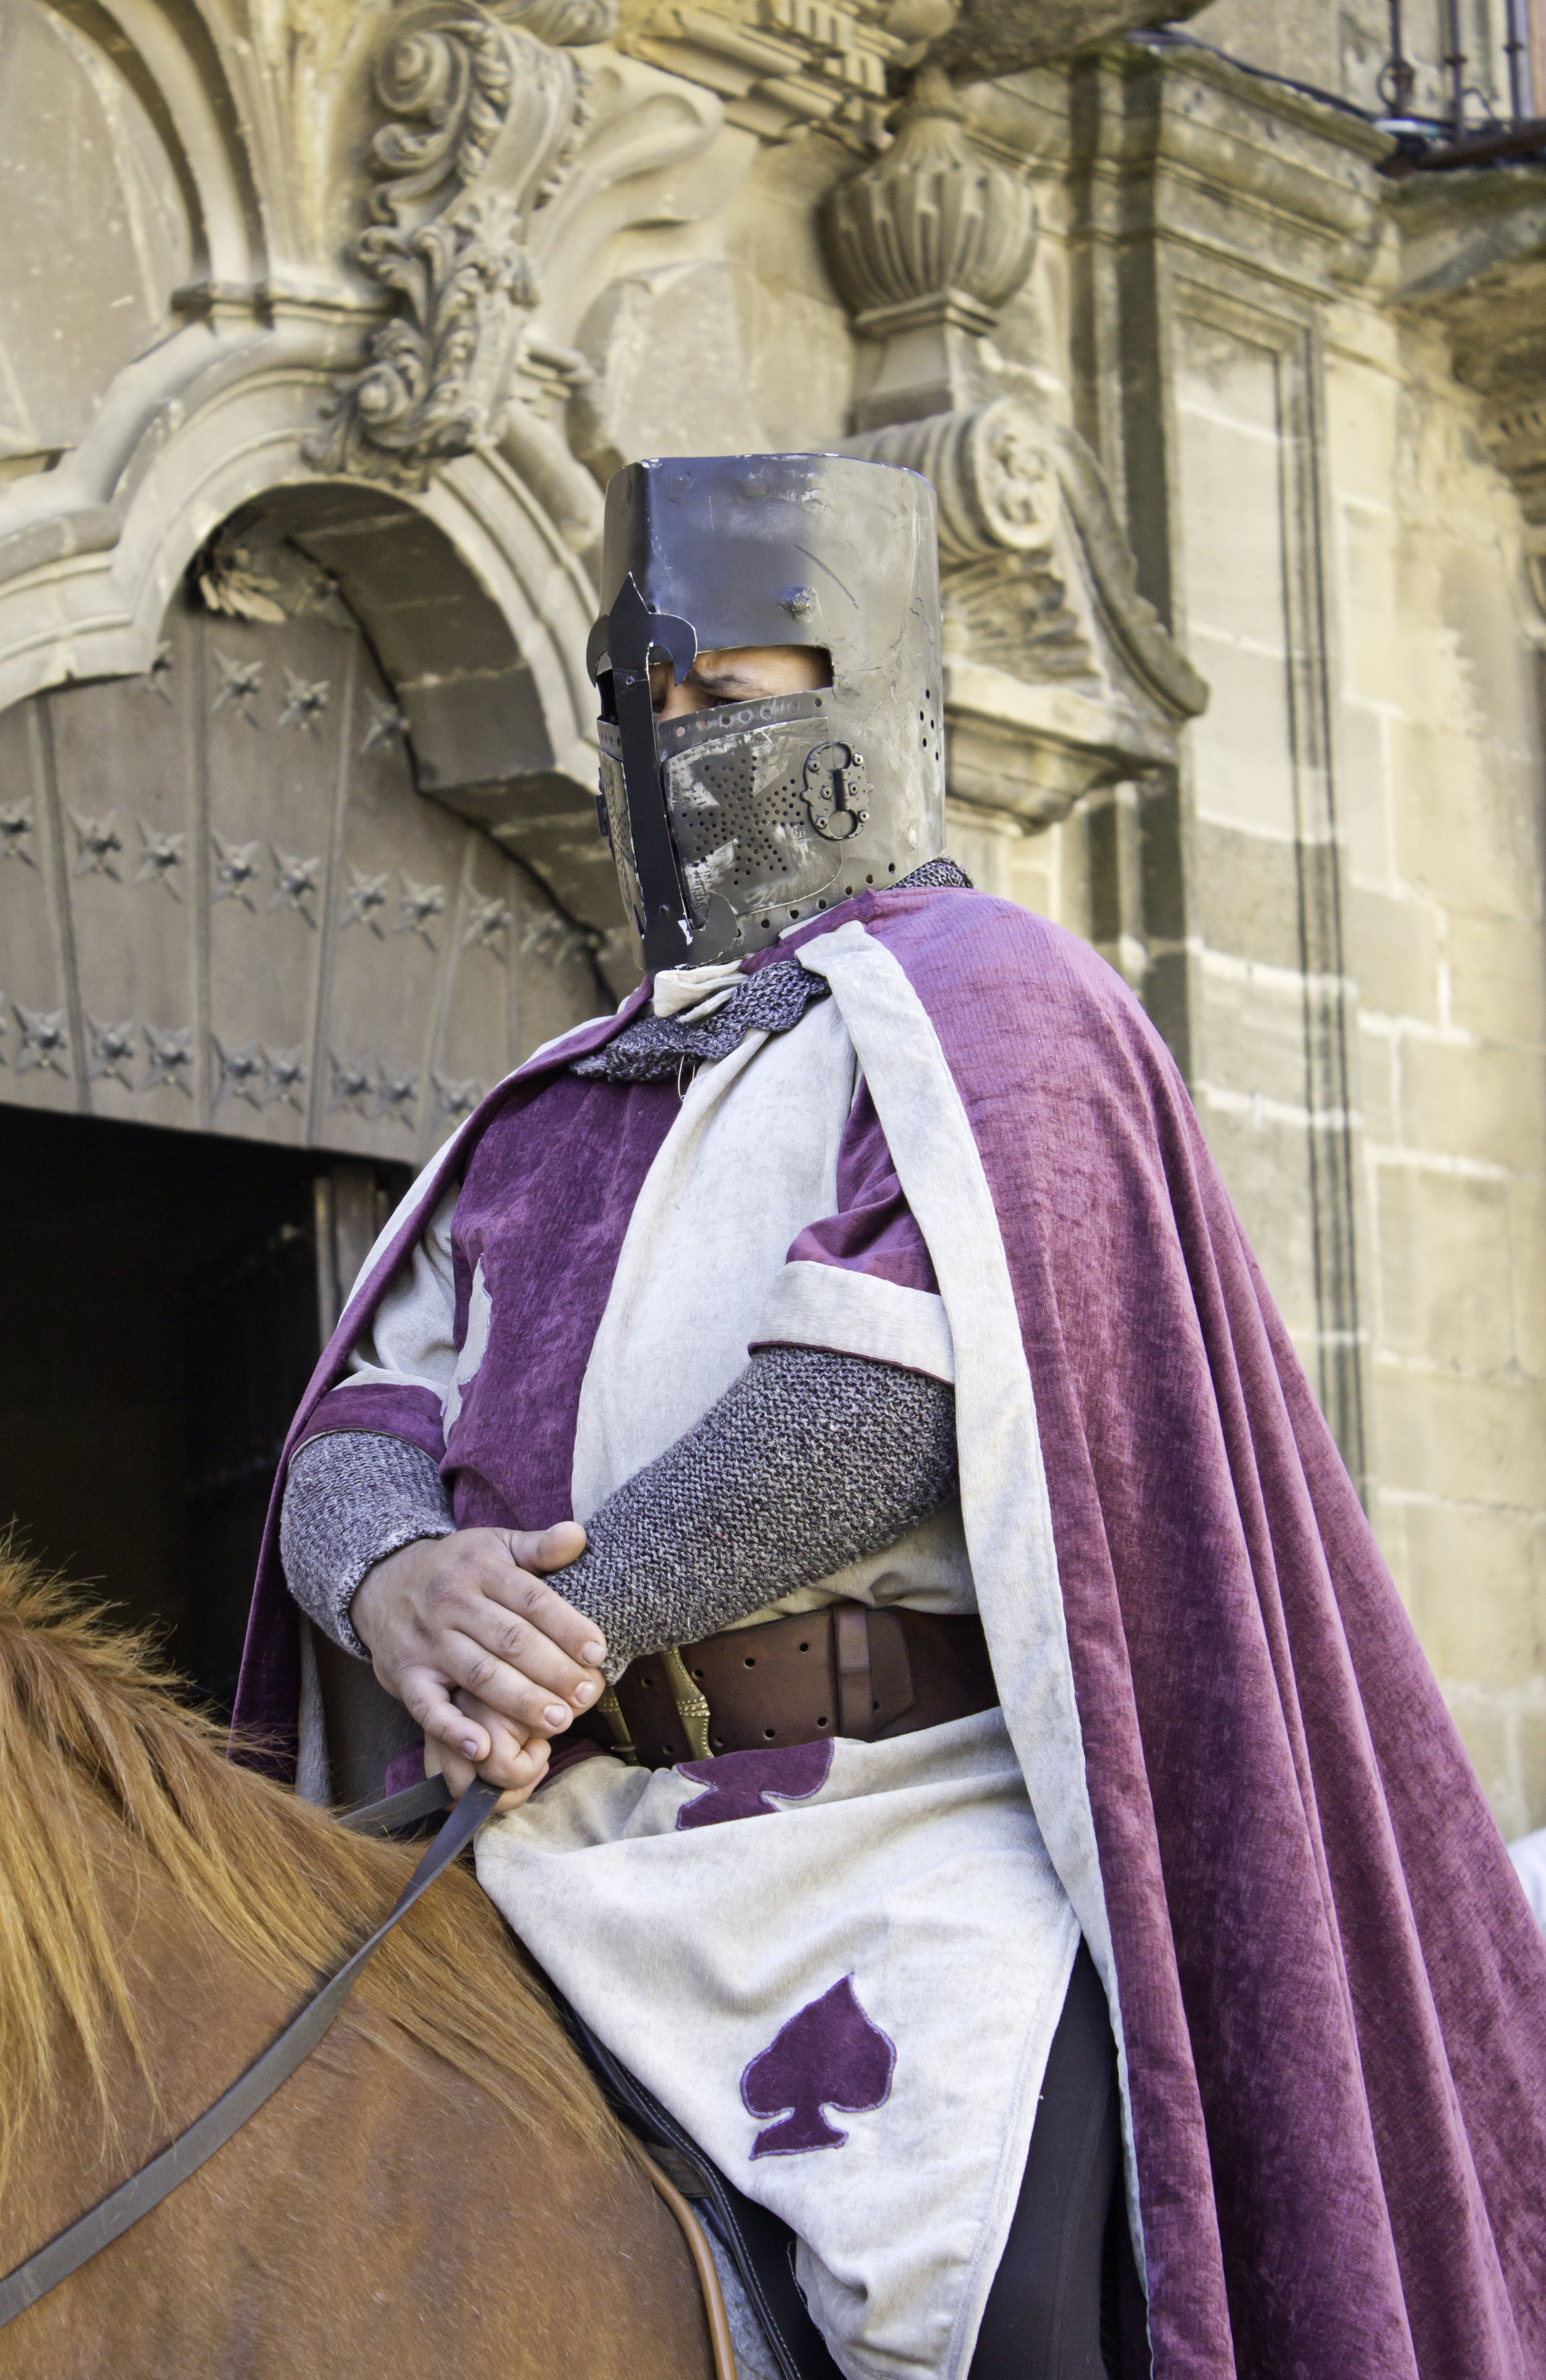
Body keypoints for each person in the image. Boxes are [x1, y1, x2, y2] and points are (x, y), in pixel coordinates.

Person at [236, 454, 1546, 2380]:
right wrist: (395, 1579)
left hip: (895, 1844)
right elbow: (365, 1411)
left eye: (727, 694)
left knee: (995, 2323)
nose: (675, 746)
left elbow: (877, 1404)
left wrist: (552, 1621)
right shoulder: (555, 1096)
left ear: (869, 696)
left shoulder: (992, 1007)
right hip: (542, 1836)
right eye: (642, 700)